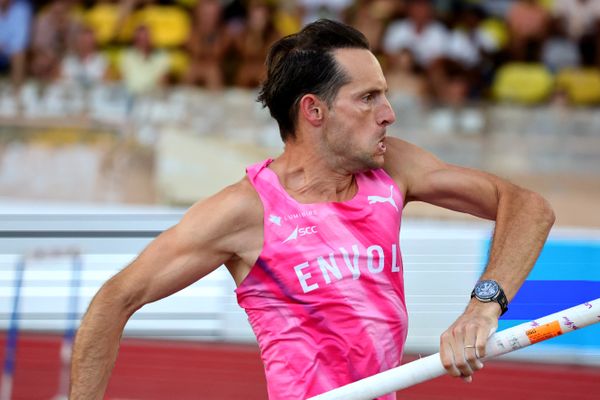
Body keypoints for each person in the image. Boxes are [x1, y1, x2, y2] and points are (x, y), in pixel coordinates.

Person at [70, 19, 555, 400]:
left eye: (384, 94)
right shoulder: (247, 211)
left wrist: (482, 307)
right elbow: (114, 301)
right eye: (368, 98)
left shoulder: (393, 168)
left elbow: (528, 207)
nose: (389, 113)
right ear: (314, 111)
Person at [0, 0, 32, 89]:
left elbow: (21, 39)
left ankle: (17, 93)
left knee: (18, 53)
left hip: (13, 51)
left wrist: (6, 47)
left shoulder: (22, 9)